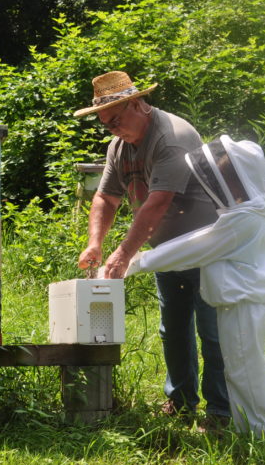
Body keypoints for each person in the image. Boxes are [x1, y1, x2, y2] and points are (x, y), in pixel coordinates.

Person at [74, 71, 231, 423]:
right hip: (167, 251)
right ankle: (180, 403)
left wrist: (124, 253)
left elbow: (158, 203)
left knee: (212, 330)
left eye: (115, 120)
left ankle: (221, 412)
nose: (112, 129)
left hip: (206, 246)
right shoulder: (119, 146)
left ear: (136, 104)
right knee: (173, 328)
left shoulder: (171, 138)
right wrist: (95, 244)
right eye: (105, 124)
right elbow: (106, 197)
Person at [125, 135, 265, 448]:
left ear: (240, 182)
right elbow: (198, 240)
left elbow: (194, 247)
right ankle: (249, 431)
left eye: (225, 179)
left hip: (243, 306)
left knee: (246, 373)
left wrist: (137, 262)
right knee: (239, 372)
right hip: (236, 306)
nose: (221, 185)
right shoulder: (241, 215)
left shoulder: (243, 219)